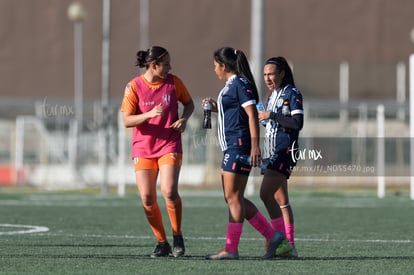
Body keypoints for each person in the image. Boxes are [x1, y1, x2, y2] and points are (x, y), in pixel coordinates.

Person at [203, 47, 286, 260]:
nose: (214, 70)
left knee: (232, 197)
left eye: (215, 65)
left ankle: (231, 249)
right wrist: (216, 108)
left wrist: (255, 146)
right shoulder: (232, 85)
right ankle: (272, 235)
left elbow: (251, 115)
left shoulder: (239, 83)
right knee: (234, 197)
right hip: (234, 145)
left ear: (223, 65)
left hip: (238, 146)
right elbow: (236, 112)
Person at [120, 46, 194, 258]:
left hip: (169, 144)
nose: (170, 68)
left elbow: (189, 104)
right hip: (143, 148)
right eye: (166, 64)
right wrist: (149, 114)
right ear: (154, 65)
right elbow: (126, 120)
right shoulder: (133, 87)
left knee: (169, 191)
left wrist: (184, 119)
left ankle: (177, 236)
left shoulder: (174, 82)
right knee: (147, 198)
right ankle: (162, 243)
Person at [257, 56, 304, 258]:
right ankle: (289, 245)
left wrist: (272, 115)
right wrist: (261, 116)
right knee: (281, 200)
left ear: (282, 73)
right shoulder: (271, 95)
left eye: (271, 74)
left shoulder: (292, 93)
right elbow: (269, 125)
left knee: (265, 195)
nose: (267, 77)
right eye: (265, 74)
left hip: (284, 150)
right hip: (270, 150)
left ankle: (280, 241)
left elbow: (297, 123)